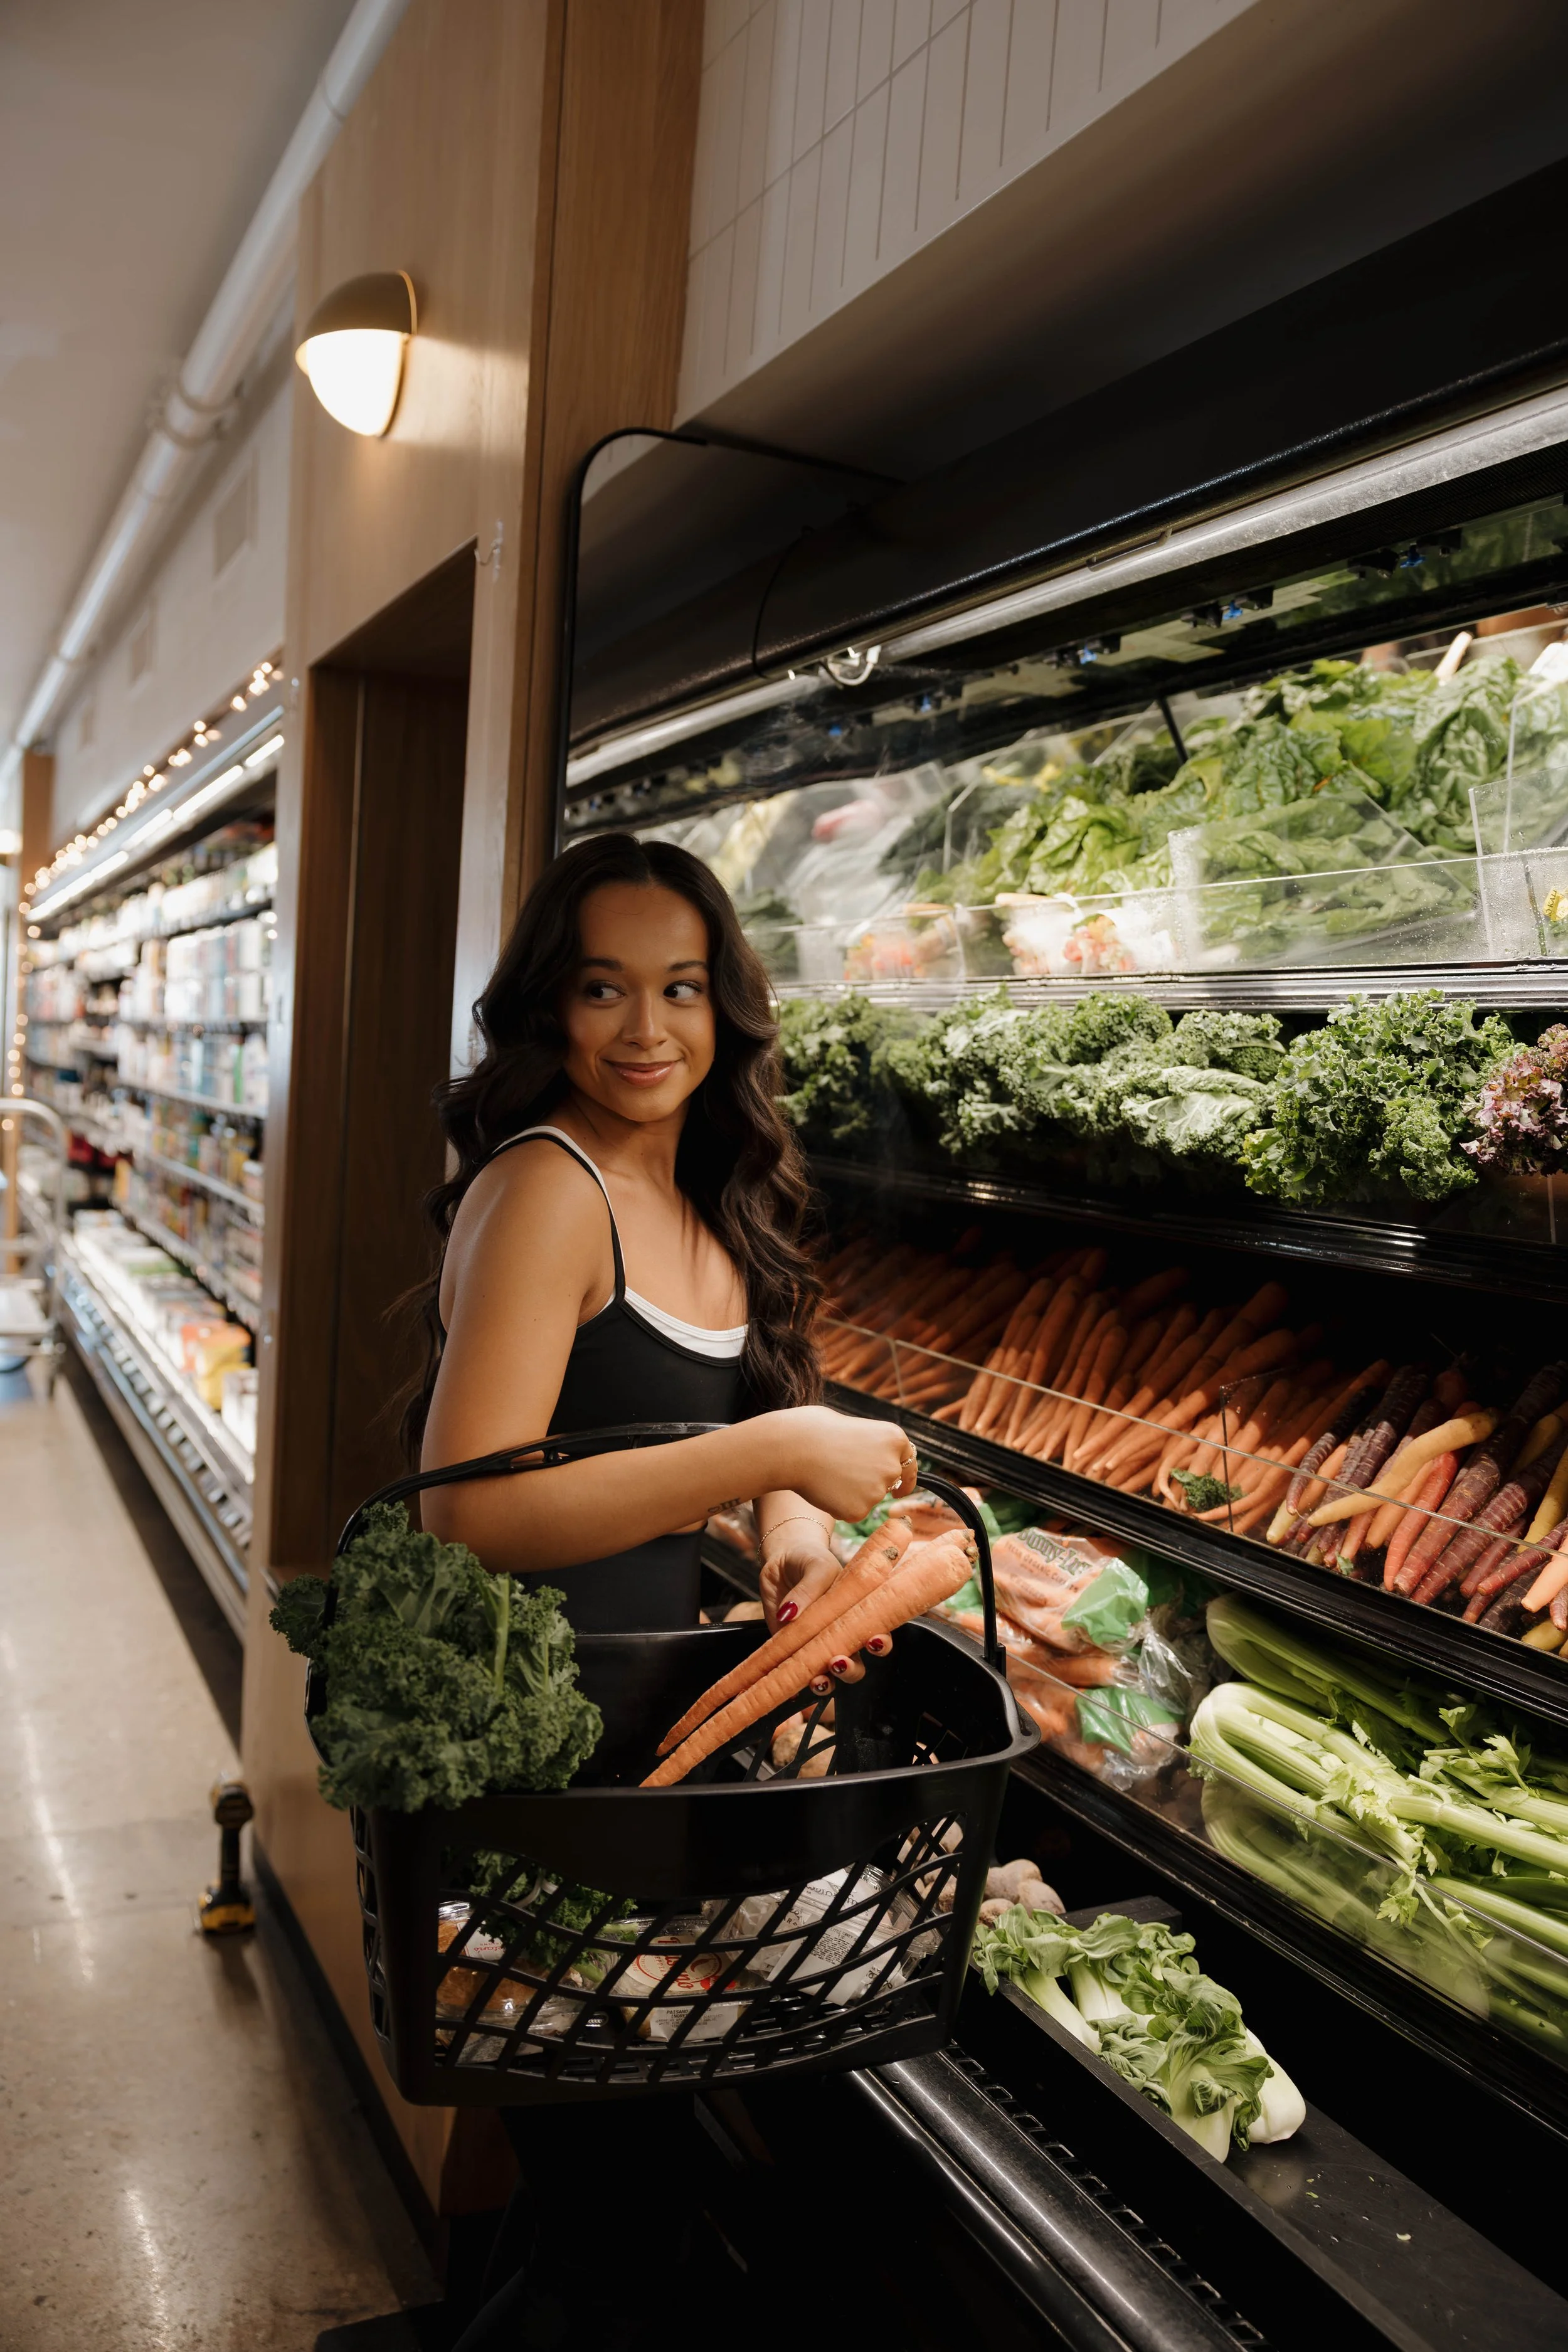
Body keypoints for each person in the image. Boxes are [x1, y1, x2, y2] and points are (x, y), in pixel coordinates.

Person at [405, 831, 914, 2348]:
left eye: (681, 988)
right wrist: (759, 1450)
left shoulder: (699, 1184)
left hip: (627, 1757)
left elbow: (738, 1390)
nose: (646, 1031)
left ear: (728, 1006)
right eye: (602, 988)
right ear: (545, 1010)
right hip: (521, 1768)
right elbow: (461, 1519)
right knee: (619, 2247)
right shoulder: (547, 1188)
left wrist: (787, 1518)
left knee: (600, 2208)